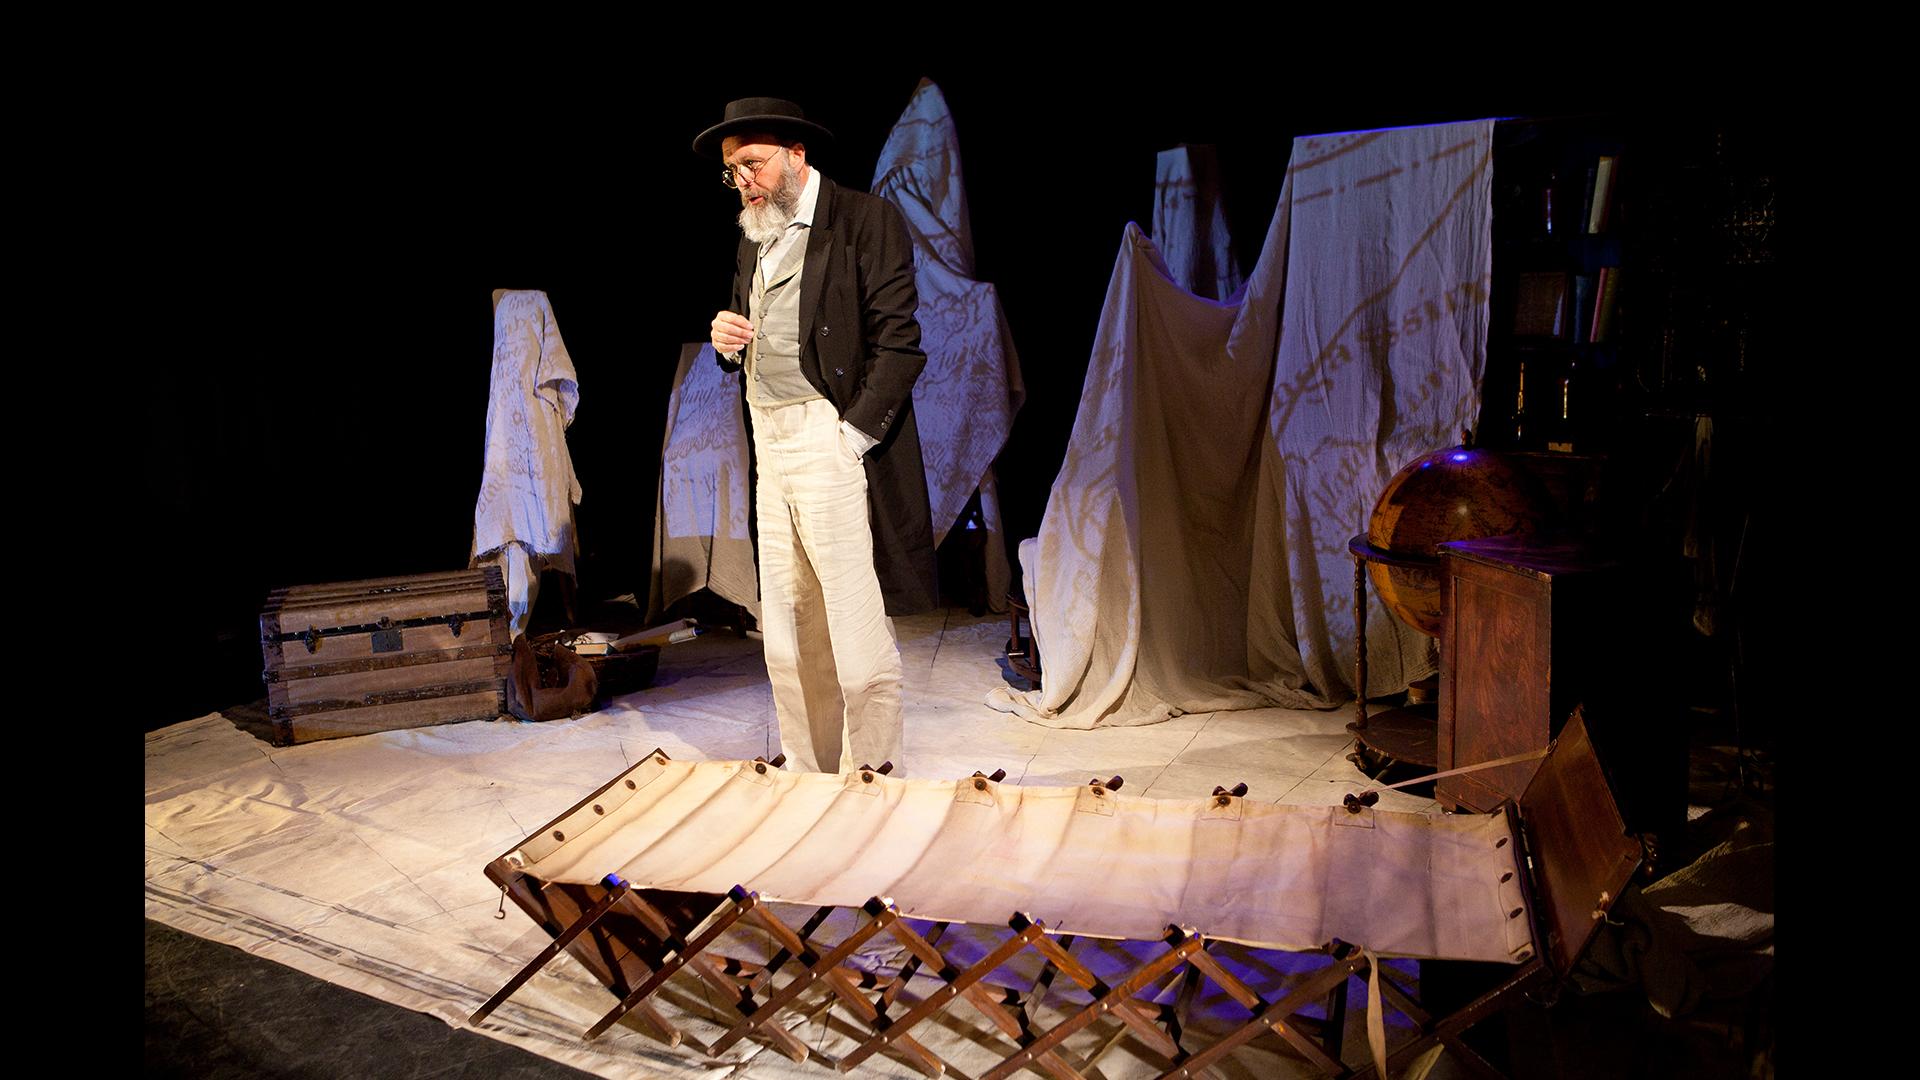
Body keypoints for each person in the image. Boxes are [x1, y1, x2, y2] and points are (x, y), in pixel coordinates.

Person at [695, 97, 938, 775]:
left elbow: (900, 345)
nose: (743, 180)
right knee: (789, 632)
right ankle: (809, 770)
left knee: (855, 631)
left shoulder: (863, 220)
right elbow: (762, 337)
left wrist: (849, 437)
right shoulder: (755, 234)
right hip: (769, 448)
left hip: (826, 439)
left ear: (796, 155)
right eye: (732, 171)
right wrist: (726, 343)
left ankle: (872, 774)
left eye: (753, 164)